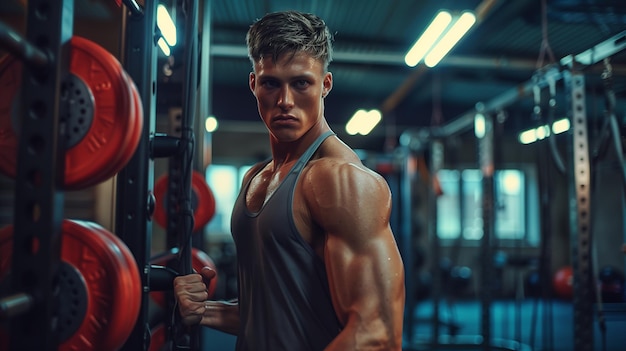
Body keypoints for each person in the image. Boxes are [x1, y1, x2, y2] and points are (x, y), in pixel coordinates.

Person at [173, 10, 405, 350]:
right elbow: (274, 316)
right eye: (271, 83)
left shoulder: (341, 180)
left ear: (325, 84)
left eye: (301, 83)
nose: (285, 101)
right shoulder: (255, 178)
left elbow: (377, 334)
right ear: (253, 84)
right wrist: (202, 310)